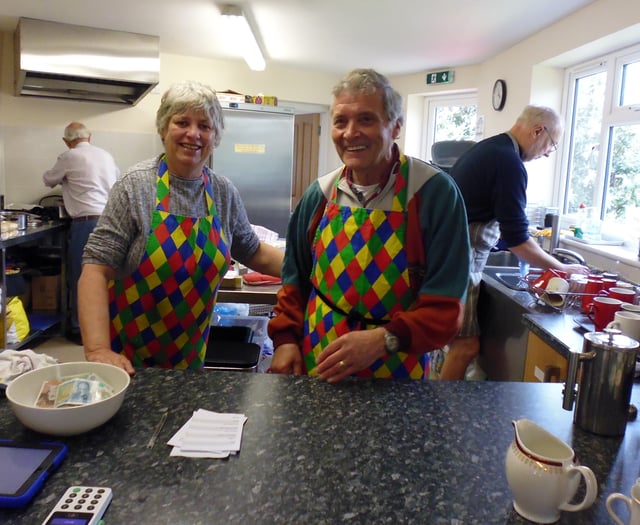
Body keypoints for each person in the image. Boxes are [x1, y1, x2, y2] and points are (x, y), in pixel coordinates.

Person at [267, 68, 470, 383]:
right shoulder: (319, 194)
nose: (350, 133)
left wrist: (384, 340)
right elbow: (294, 281)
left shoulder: (433, 194)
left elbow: (445, 309)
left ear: (396, 126)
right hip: (319, 362)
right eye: (340, 121)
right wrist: (285, 340)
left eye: (366, 119)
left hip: (399, 372)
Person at [78, 81, 283, 375]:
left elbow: (253, 252)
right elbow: (96, 268)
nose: (193, 134)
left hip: (190, 359)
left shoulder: (223, 192)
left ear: (215, 136)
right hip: (126, 362)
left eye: (205, 125)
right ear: (163, 128)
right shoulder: (135, 186)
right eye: (182, 122)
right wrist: (98, 349)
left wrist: (312, 270)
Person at [439, 105, 589, 380]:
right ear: (537, 130)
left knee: (454, 344)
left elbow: (498, 221)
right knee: (465, 347)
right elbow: (518, 241)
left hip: (449, 256)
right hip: (462, 260)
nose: (546, 154)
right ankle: (438, 418)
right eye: (551, 146)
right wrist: (562, 269)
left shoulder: (490, 149)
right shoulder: (509, 163)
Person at [43, 122, 120, 345]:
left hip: (86, 223)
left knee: (82, 277)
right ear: (90, 137)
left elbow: (48, 180)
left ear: (67, 141)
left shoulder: (69, 156)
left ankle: (80, 329)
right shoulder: (106, 155)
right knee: (106, 277)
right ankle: (107, 328)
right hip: (111, 221)